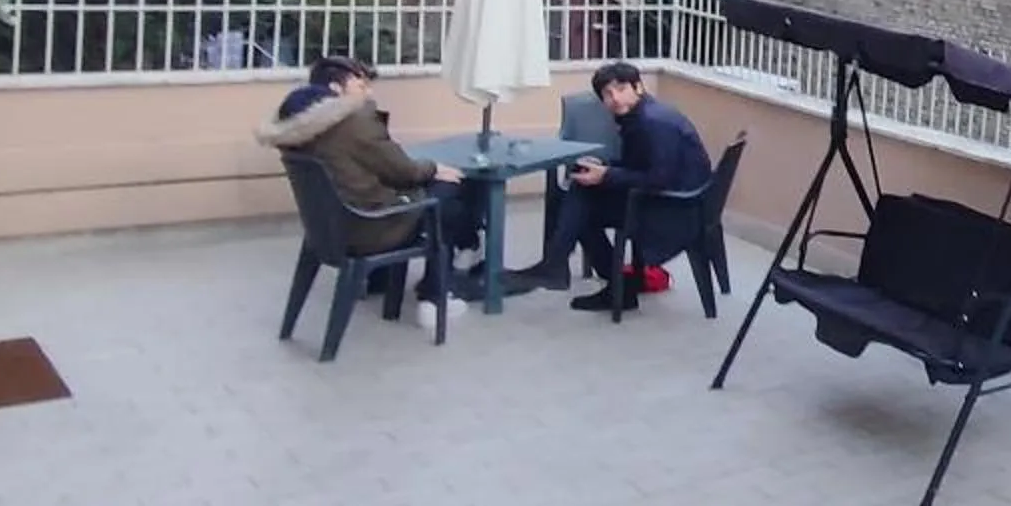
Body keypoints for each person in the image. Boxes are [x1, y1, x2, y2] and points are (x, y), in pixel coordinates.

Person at [256, 57, 483, 304]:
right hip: (370, 227)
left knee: (432, 189)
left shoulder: (297, 128)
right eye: (361, 86)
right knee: (449, 194)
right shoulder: (351, 122)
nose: (369, 92)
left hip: (328, 230)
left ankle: (381, 281)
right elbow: (403, 171)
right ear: (336, 88)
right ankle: (435, 294)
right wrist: (434, 168)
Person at [504, 62, 712, 312]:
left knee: (580, 203)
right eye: (607, 94)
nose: (614, 98)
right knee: (579, 195)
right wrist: (604, 167)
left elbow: (659, 178)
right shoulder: (643, 116)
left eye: (621, 89)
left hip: (674, 209)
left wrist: (607, 175)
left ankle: (572, 270)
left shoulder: (653, 123)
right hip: (671, 198)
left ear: (638, 87)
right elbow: (641, 165)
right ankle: (583, 273)